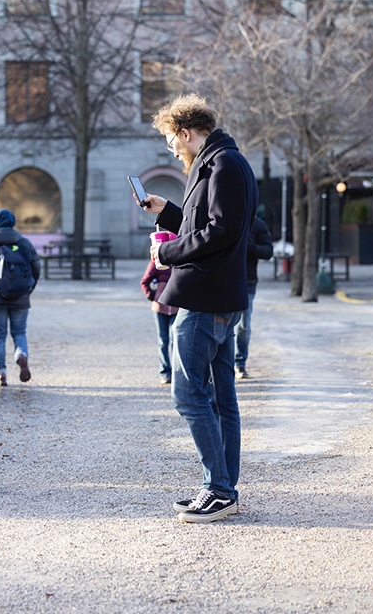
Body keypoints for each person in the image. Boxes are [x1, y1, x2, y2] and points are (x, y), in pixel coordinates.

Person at [136, 93, 257, 523]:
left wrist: (164, 256)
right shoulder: (220, 161)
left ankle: (219, 489)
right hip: (218, 296)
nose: (172, 148)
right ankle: (223, 489)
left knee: (189, 396)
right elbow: (203, 224)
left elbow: (220, 233)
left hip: (205, 298)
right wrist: (168, 211)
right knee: (221, 399)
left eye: (172, 140)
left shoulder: (222, 165)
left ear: (186, 132)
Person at [0, 209, 40, 387]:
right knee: (19, 332)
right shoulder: (24, 243)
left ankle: (1, 373)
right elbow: (36, 266)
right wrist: (28, 289)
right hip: (21, 297)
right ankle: (21, 355)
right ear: (12, 222)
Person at [234, 208, 273, 380]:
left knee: (244, 325)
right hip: (227, 279)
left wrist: (250, 247)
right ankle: (226, 364)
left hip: (248, 281)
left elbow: (268, 251)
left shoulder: (257, 225)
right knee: (222, 324)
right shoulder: (231, 219)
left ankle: (239, 363)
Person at [140, 234, 179, 386]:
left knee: (177, 340)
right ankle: (165, 372)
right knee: (163, 340)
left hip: (176, 306)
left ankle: (177, 371)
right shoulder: (156, 262)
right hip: (160, 307)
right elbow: (145, 281)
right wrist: (152, 296)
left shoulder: (179, 261)